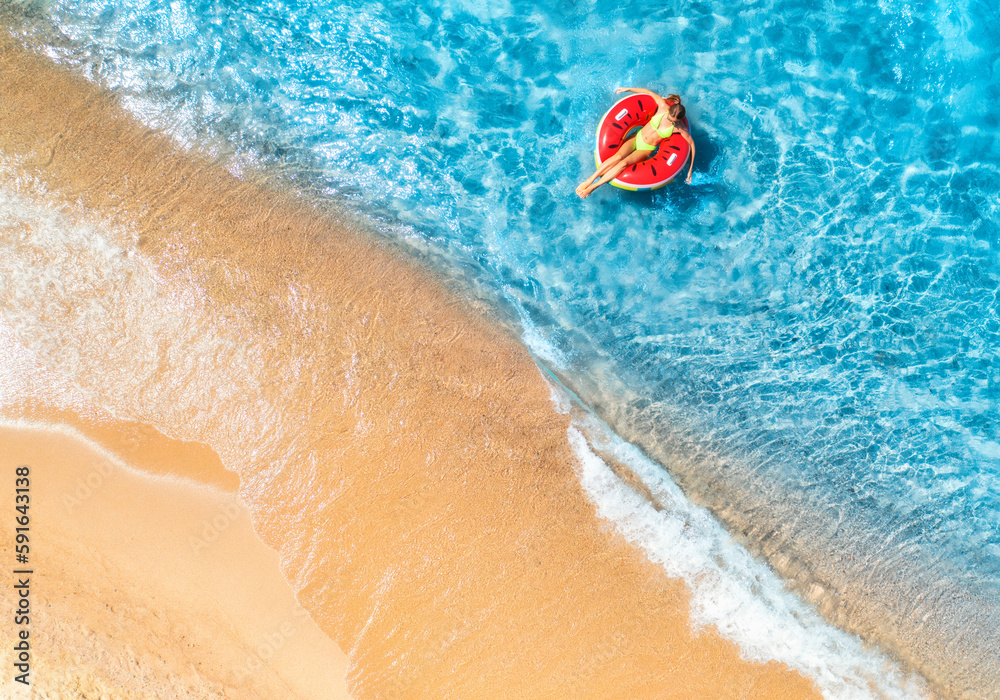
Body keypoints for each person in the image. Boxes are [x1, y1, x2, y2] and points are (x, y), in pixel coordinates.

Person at [576, 87, 695, 198]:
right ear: (669, 112)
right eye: (670, 118)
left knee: (623, 164)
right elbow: (648, 92)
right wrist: (627, 89)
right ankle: (589, 180)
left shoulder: (679, 128)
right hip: (636, 138)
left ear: (678, 120)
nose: (671, 121)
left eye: (674, 121)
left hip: (645, 149)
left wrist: (690, 170)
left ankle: (593, 187)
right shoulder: (663, 107)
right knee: (618, 157)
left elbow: (692, 145)